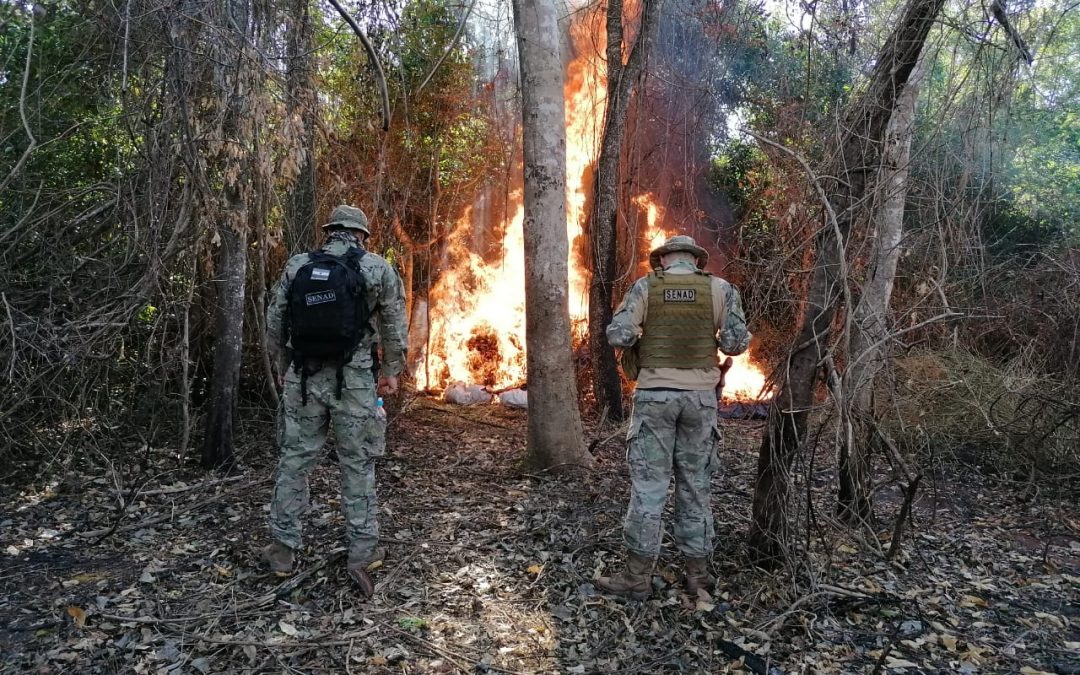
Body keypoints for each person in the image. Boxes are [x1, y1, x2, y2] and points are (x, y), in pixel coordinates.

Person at [261, 205, 407, 596]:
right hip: (355, 382)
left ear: (330, 232)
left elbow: (275, 320)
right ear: (362, 234)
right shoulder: (376, 268)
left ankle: (282, 551)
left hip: (303, 379)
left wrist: (282, 364)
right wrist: (391, 372)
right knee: (357, 464)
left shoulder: (297, 266)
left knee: (295, 460)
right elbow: (394, 325)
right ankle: (362, 553)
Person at [600, 234, 751, 599]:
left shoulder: (645, 287)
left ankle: (637, 578)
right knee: (695, 488)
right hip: (700, 400)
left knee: (649, 489)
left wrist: (642, 335)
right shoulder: (720, 289)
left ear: (664, 260)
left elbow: (618, 335)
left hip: (655, 398)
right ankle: (698, 579)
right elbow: (735, 343)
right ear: (696, 260)